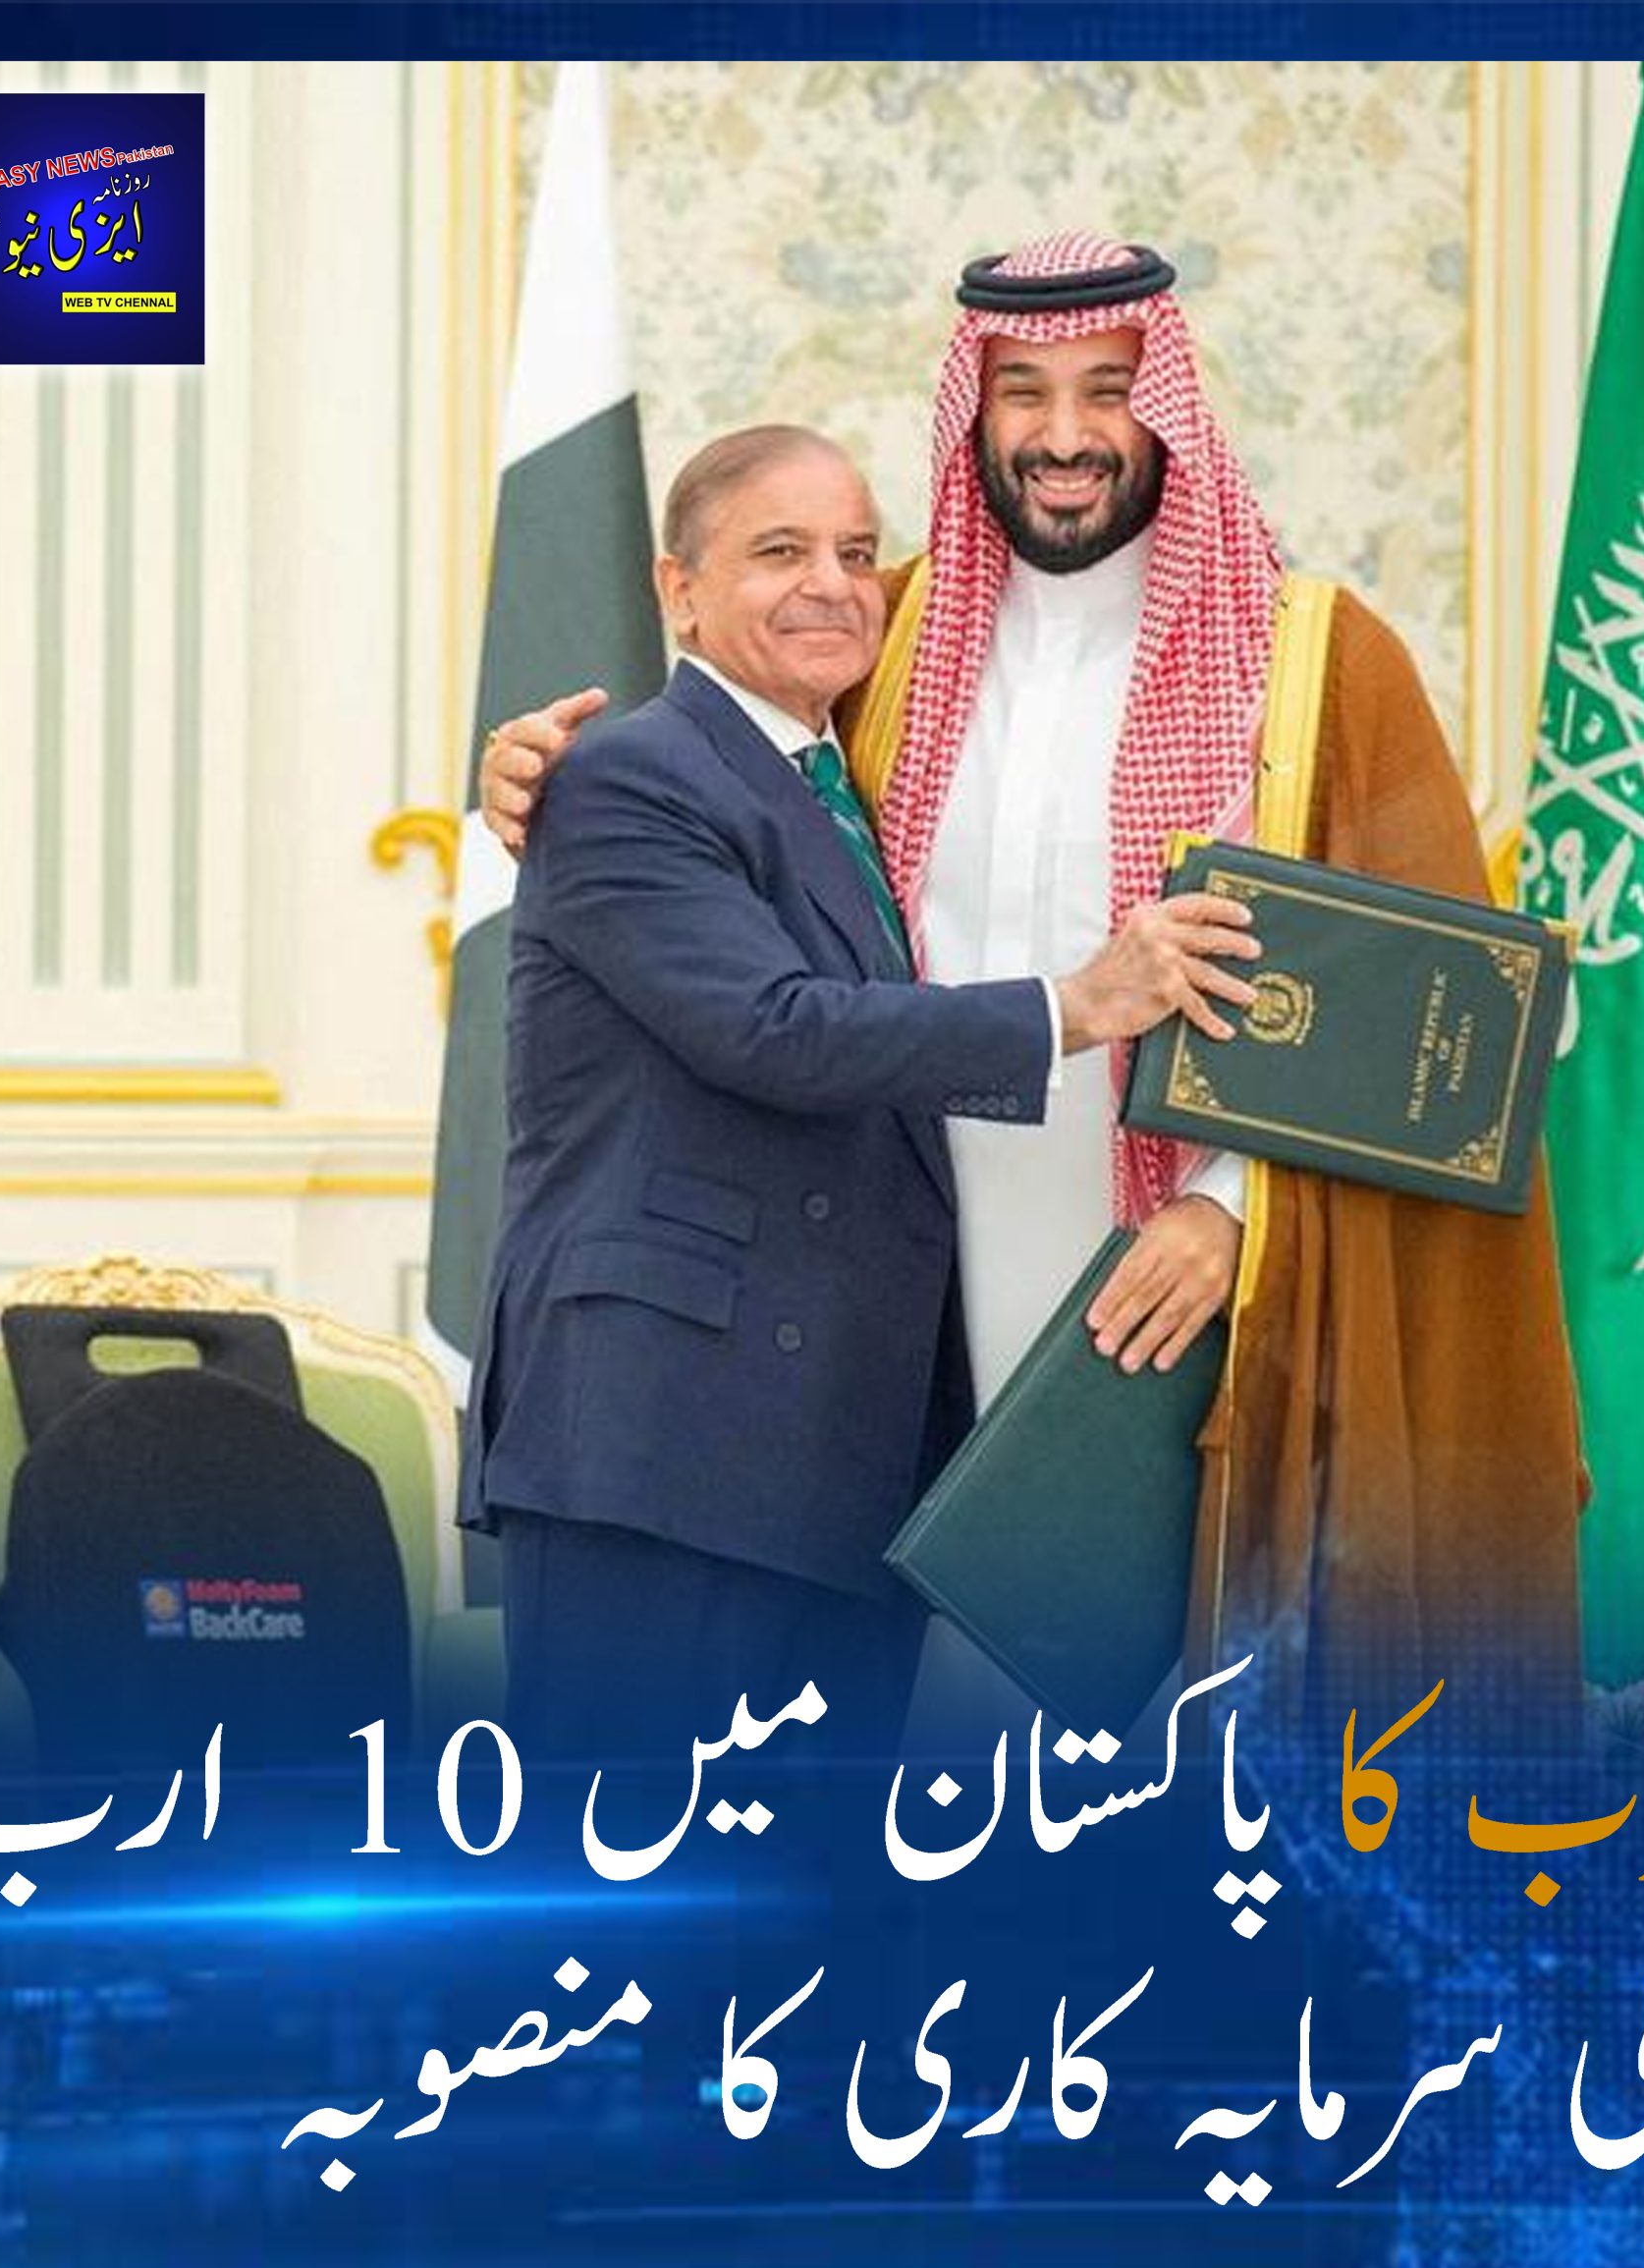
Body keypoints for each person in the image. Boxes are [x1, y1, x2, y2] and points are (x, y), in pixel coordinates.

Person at [484, 239, 1584, 1719]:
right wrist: (528, 773)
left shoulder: (1316, 663)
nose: (1065, 435)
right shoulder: (891, 641)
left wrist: (1231, 1210)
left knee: (1155, 1725)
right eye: (1024, 393)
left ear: (1166, 406)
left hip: (1180, 1288)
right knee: (885, 1747)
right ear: (974, 412)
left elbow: (1441, 1028)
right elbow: (714, 784)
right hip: (876, 1333)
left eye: (1107, 390)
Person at [459, 422, 1260, 1774]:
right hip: (666, 1453)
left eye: (854, 551)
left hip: (833, 1473)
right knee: (629, 1879)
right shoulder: (627, 775)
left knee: (806, 1888)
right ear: (678, 590)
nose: (832, 584)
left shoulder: (851, 782)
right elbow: (775, 1030)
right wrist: (1082, 1003)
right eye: (779, 552)